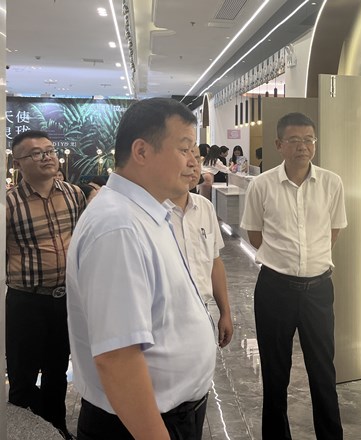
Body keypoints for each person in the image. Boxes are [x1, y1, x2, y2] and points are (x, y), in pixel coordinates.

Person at [66, 98, 217, 439]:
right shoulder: (118, 226)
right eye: (184, 149)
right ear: (142, 151)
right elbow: (117, 358)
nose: (193, 161)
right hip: (138, 425)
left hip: (167, 415)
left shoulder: (146, 212)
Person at [241, 112, 347, 439]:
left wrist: (309, 261)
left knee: (323, 373)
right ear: (279, 144)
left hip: (318, 290)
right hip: (275, 289)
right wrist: (283, 259)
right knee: (275, 375)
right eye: (295, 140)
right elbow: (254, 234)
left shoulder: (331, 183)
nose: (303, 146)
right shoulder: (261, 185)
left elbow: (333, 231)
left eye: (309, 139)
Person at [6, 130, 87, 440]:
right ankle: (21, 431)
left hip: (65, 299)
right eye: (36, 153)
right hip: (26, 301)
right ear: (18, 163)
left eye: (50, 151)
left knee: (57, 371)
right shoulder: (9, 203)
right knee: (22, 375)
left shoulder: (73, 194)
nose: (47, 157)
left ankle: (56, 428)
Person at [168, 145, 233, 348]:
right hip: (165, 319)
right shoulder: (152, 212)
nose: (194, 165)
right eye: (185, 156)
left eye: (197, 159)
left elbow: (214, 262)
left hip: (202, 312)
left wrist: (225, 312)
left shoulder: (205, 207)